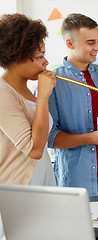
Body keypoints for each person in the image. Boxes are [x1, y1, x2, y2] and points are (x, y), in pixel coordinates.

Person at [48, 13, 98, 201]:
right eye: (91, 42)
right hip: (77, 181)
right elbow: (49, 138)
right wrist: (89, 138)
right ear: (70, 44)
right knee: (78, 231)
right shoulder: (52, 81)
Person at [0, 13, 57, 239]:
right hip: (18, 189)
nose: (46, 62)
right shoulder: (3, 93)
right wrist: (43, 97)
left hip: (42, 184)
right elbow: (34, 149)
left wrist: (41, 96)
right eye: (39, 56)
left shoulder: (29, 90)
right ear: (17, 57)